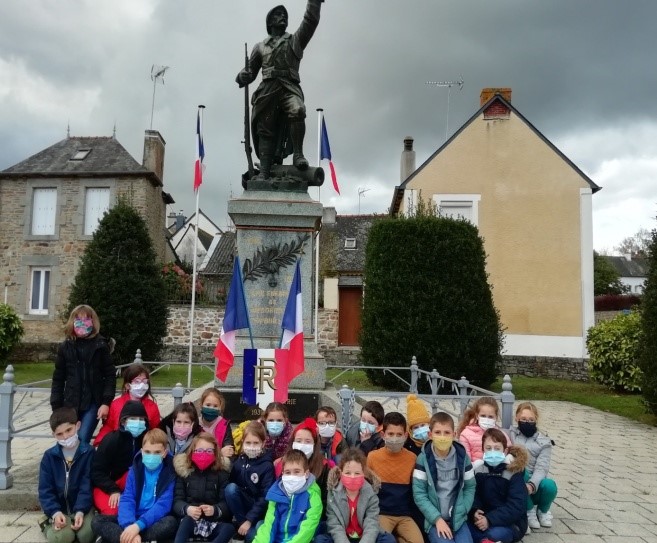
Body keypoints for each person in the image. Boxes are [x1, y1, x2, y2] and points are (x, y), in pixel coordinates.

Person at [235, 1, 325, 179]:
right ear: (269, 23)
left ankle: (298, 154)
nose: (282, 16)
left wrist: (314, 2)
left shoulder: (295, 40)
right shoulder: (260, 46)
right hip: (267, 90)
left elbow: (311, 20)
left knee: (298, 109)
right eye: (277, 14)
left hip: (289, 86)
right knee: (265, 129)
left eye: (284, 15)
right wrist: (242, 75)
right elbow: (250, 72)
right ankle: (265, 171)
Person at [91, 428, 178, 543]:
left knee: (170, 523)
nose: (151, 456)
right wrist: (129, 525)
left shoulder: (170, 473)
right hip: (133, 518)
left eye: (157, 452)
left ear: (164, 453)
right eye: (147, 452)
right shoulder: (135, 470)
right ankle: (134, 539)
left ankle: (127, 539)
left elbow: (163, 505)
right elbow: (128, 497)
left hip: (152, 520)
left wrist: (138, 526)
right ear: (142, 452)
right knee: (97, 521)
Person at [50, 305, 116, 443]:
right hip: (70, 402)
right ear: (72, 321)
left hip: (92, 403)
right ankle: (69, 464)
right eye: (78, 319)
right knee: (67, 440)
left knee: (82, 439)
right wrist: (56, 407)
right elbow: (58, 378)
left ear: (93, 321)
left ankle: (79, 463)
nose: (82, 322)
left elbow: (110, 375)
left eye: (86, 319)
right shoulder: (65, 347)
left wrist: (106, 402)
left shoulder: (101, 345)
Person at [412, 412, 475, 543]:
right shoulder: (423, 459)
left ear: (454, 434)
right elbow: (419, 494)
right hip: (435, 521)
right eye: (438, 432)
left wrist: (463, 510)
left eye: (447, 432)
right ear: (430, 435)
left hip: (458, 519)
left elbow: (470, 486)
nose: (442, 437)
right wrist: (437, 519)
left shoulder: (463, 458)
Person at [38, 407, 95, 543]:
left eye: (69, 430)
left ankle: (79, 519)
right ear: (54, 435)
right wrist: (55, 512)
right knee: (63, 538)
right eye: (59, 434)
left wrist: (81, 511)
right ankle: (46, 523)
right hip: (59, 508)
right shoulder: (49, 456)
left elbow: (87, 485)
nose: (65, 437)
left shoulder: (89, 452)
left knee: (87, 535)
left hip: (82, 507)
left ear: (78, 426)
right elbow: (45, 489)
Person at [367, 412, 424, 543]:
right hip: (382, 513)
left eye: (399, 435)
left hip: (404, 515)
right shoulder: (372, 457)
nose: (395, 438)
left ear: (405, 436)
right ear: (383, 435)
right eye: (391, 434)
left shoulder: (412, 458)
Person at [317, 448, 396, 543]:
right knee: (320, 540)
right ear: (341, 473)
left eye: (357, 473)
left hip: (365, 536)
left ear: (363, 473)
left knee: (388, 539)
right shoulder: (333, 493)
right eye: (348, 473)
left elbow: (371, 523)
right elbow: (334, 525)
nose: (352, 477)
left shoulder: (370, 493)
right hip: (342, 537)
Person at [172, 432, 235, 543]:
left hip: (213, 521)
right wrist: (187, 509)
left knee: (229, 529)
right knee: (185, 522)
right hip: (191, 519)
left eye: (209, 451)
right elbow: (177, 501)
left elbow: (226, 504)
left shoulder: (222, 473)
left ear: (215, 453)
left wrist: (215, 510)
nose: (204, 454)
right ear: (192, 452)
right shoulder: (184, 472)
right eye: (200, 450)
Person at [468, 428, 528, 543]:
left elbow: (516, 506)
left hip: (510, 523)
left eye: (497, 448)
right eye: (488, 448)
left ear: (505, 451)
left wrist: (489, 520)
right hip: (482, 520)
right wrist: (474, 511)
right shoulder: (479, 471)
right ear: (483, 450)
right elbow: (474, 495)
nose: (492, 452)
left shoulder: (514, 472)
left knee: (494, 535)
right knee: (463, 530)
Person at [91, 400, 149, 516]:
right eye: (133, 419)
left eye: (141, 419)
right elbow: (96, 472)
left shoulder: (146, 439)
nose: (138, 423)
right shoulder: (111, 440)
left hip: (130, 484)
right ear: (123, 421)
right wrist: (113, 489)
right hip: (106, 485)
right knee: (113, 511)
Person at [252, 449, 322, 543]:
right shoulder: (276, 493)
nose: (292, 476)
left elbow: (307, 529)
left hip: (299, 540)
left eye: (297, 472)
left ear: (306, 474)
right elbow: (269, 525)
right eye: (288, 472)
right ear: (282, 474)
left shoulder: (313, 496)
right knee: (259, 529)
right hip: (278, 539)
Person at [508, 402, 557, 531]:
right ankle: (528, 510)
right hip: (516, 479)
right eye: (523, 419)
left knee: (550, 485)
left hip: (534, 482)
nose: (527, 422)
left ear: (536, 420)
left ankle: (543, 511)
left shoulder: (544, 442)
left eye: (531, 420)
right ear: (517, 418)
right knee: (519, 472)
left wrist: (531, 485)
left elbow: (542, 468)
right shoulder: (510, 435)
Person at [225, 421, 275, 542]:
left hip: (259, 511)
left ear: (263, 443)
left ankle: (246, 527)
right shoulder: (239, 462)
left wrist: (250, 520)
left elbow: (265, 497)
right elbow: (231, 485)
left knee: (251, 537)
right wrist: (244, 521)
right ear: (243, 443)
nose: (251, 446)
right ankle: (242, 524)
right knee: (230, 489)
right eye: (248, 442)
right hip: (242, 509)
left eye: (256, 443)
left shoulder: (267, 466)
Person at [274, 417, 334, 511]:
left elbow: (326, 500)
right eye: (298, 441)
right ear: (292, 442)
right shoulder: (282, 464)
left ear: (314, 444)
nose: (302, 445)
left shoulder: (324, 466)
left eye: (308, 441)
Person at [94, 363, 160, 446]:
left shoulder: (152, 406)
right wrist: (100, 443)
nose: (142, 385)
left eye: (144, 381)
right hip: (118, 446)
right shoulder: (116, 404)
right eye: (137, 381)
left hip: (143, 446)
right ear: (127, 385)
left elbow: (155, 430)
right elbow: (109, 427)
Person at [457, 397, 504, 462]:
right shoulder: (466, 434)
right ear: (477, 416)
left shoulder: (500, 433)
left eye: (490, 417)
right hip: (476, 470)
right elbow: (466, 460)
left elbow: (508, 449)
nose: (487, 419)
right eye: (483, 416)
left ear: (496, 417)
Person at [199, 388, 235, 467]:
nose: (211, 408)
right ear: (201, 405)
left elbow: (229, 451)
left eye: (215, 406)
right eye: (208, 405)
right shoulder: (195, 425)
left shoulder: (224, 425)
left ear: (220, 409)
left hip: (218, 469)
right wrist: (219, 453)